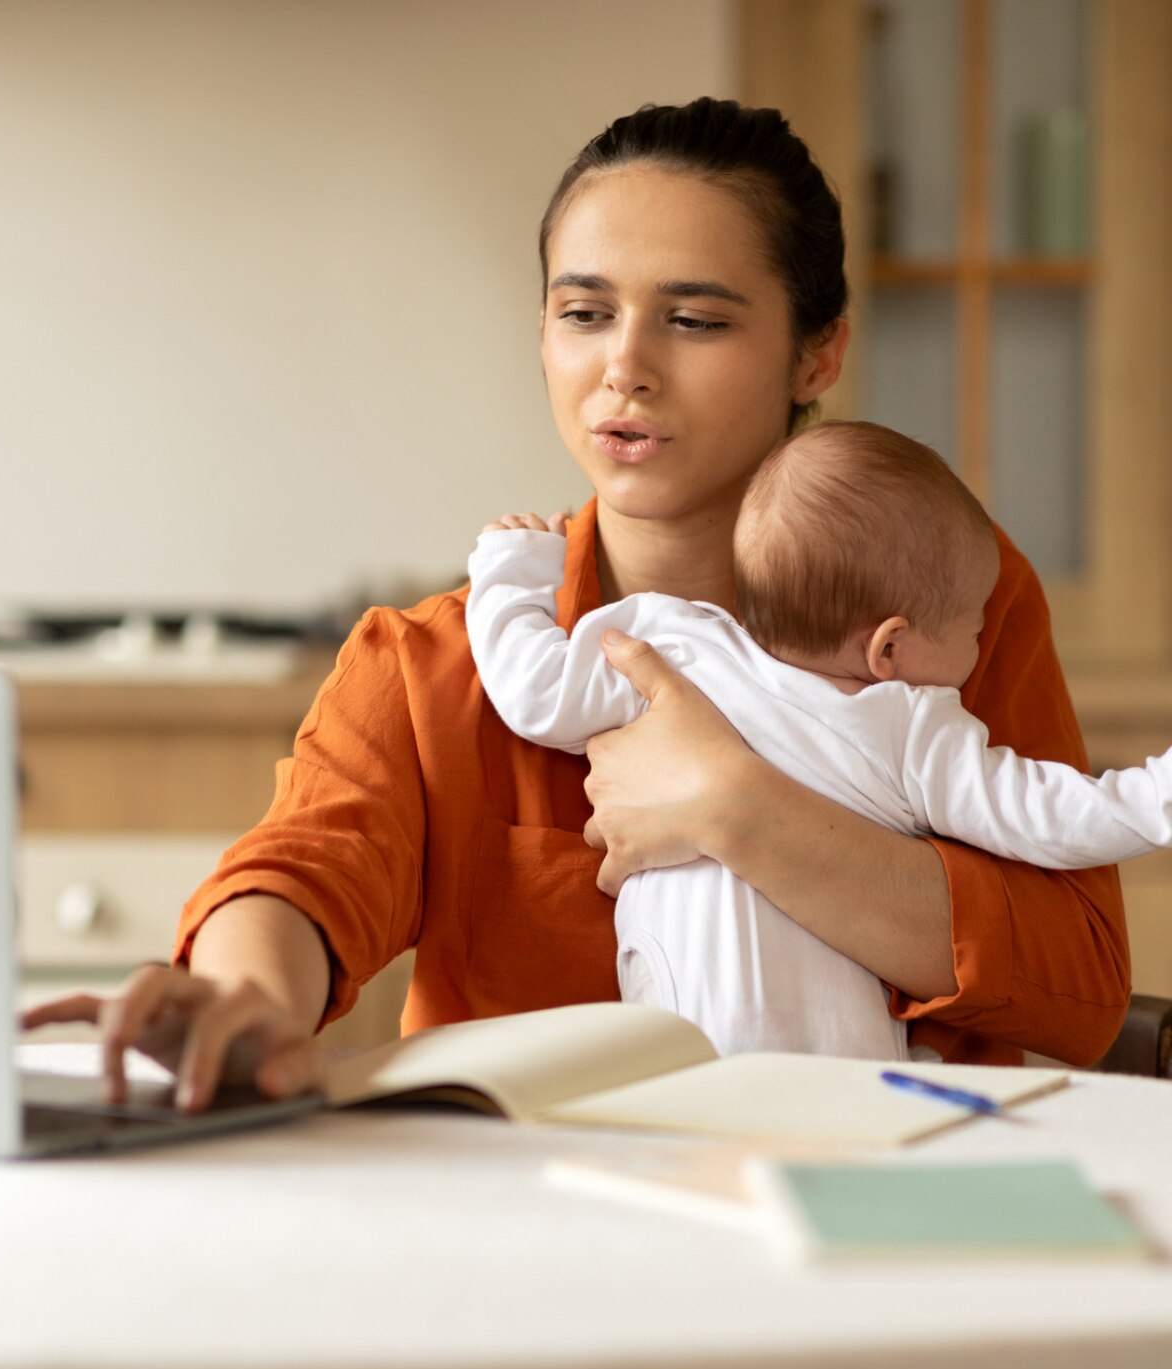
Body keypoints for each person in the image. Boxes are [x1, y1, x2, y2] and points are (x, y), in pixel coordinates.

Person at [23, 98, 1130, 1111]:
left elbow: (1077, 987)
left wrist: (740, 811)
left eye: (695, 321)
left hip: (898, 1203)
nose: (626, 368)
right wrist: (247, 996)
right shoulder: (436, 662)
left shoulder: (950, 604)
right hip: (546, 1230)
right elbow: (301, 875)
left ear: (818, 350)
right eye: (586, 312)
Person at [467, 419, 1164, 1060]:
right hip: (841, 1052)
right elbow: (1054, 816)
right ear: (889, 649)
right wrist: (1157, 795)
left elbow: (533, 690)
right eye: (974, 628)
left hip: (679, 1017)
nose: (982, 645)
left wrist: (513, 571)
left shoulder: (677, 648)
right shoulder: (911, 731)